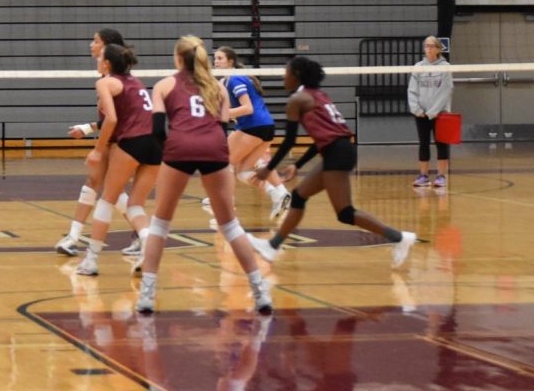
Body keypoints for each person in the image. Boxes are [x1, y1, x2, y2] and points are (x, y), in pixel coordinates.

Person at [135, 36, 272, 316]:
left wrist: (174, 153)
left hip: (180, 146)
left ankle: (147, 296)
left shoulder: (164, 85)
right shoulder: (217, 86)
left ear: (177, 58)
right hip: (214, 146)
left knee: (160, 224)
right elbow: (222, 126)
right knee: (231, 226)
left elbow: (158, 130)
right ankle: (260, 292)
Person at [247, 56, 418, 267]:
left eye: (287, 72)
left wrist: (268, 169)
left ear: (297, 75)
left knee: (345, 213)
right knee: (299, 196)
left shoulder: (297, 100)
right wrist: (297, 165)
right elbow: (323, 138)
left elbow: (290, 140)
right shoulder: (319, 95)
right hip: (338, 149)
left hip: (337, 152)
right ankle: (273, 246)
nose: (284, 76)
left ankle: (400, 238)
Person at [75, 43, 160, 276]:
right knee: (135, 205)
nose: (96, 60)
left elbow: (111, 119)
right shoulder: (136, 83)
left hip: (133, 142)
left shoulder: (104, 82)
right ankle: (147, 243)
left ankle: (91, 261)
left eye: (99, 56)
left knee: (106, 200)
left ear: (107, 63)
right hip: (156, 144)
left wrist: (98, 150)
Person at [57, 28, 141, 257]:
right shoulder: (110, 78)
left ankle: (143, 233)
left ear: (106, 49)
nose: (90, 45)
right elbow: (110, 118)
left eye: (95, 41)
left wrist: (97, 149)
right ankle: (73, 238)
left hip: (125, 141)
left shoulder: (113, 80)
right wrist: (87, 128)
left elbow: (116, 118)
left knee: (108, 189)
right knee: (96, 182)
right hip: (122, 138)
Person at [213, 46, 290, 219]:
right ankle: (279, 193)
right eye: (215, 58)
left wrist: (225, 114)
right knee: (243, 172)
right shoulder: (226, 81)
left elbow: (247, 108)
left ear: (230, 61)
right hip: (266, 127)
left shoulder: (235, 79)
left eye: (220, 58)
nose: (216, 61)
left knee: (226, 164)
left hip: (253, 126)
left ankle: (226, 205)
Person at [408, 36, 453, 187]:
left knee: (441, 144)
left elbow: (446, 91)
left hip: (440, 113)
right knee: (423, 143)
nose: (429, 48)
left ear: (438, 49)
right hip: (421, 113)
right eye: (426, 45)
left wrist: (433, 111)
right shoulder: (418, 66)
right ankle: (423, 176)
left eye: (432, 45)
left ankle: (441, 176)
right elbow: (412, 90)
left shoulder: (445, 66)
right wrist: (416, 109)